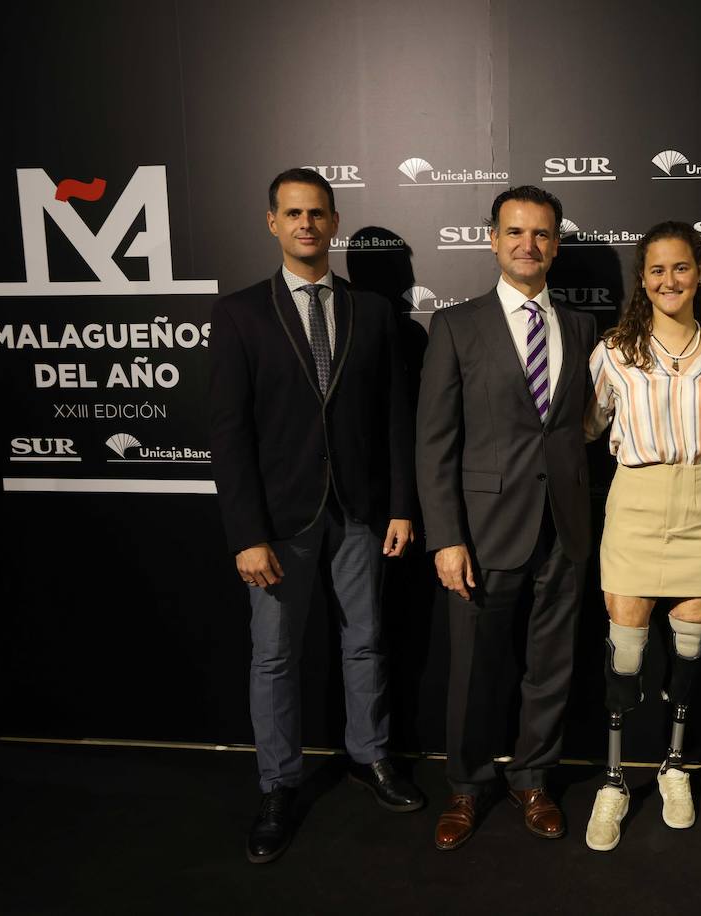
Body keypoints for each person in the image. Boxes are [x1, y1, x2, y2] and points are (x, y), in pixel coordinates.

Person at [209, 168, 423, 864]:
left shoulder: (374, 313)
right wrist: (247, 534)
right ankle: (278, 785)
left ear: (333, 222)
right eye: (293, 213)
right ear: (273, 222)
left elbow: (395, 416)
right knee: (274, 658)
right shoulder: (241, 314)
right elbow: (230, 433)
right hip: (279, 522)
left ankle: (371, 758)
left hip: (360, 512)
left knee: (365, 642)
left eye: (318, 213)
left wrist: (398, 505)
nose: (306, 224)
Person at [416, 185, 597, 850]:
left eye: (542, 234)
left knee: (550, 663)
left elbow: (580, 427)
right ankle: (466, 786)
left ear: (555, 244)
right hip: (483, 532)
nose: (529, 244)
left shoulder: (580, 326)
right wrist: (446, 538)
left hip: (565, 526)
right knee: (473, 668)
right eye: (516, 232)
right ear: (492, 239)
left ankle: (533, 778)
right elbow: (434, 442)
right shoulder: (456, 326)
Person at [581, 222, 701, 852]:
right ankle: (613, 779)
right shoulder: (611, 354)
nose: (669, 281)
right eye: (656, 270)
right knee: (624, 653)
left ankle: (674, 766)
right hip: (635, 502)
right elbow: (592, 427)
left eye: (681, 268)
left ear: (698, 273)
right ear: (643, 279)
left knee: (689, 650)